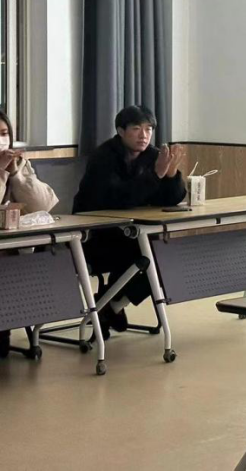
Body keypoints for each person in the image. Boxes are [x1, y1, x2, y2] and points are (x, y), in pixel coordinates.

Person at [73, 106, 186, 338]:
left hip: (131, 234)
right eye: (136, 129)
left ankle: (112, 305)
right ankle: (108, 305)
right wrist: (156, 175)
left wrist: (172, 175)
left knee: (167, 257)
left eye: (149, 129)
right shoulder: (103, 157)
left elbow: (170, 199)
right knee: (152, 255)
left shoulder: (153, 155)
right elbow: (118, 199)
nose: (144, 135)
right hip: (96, 237)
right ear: (121, 131)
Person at [0, 110, 59, 358]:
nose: (2, 140)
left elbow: (42, 204)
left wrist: (15, 173)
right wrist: (0, 172)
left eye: (4, 133)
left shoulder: (20, 163)